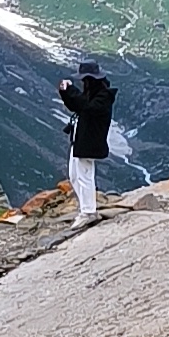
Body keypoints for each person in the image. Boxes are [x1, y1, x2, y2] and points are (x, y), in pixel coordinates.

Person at [58, 49, 117, 219]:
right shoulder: (94, 94)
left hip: (89, 141)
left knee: (85, 176)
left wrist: (71, 91)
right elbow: (77, 105)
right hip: (80, 139)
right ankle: (85, 208)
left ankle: (89, 211)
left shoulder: (103, 97)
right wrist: (66, 93)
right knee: (75, 176)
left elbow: (86, 107)